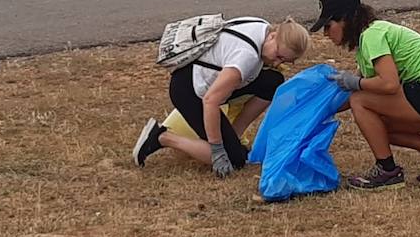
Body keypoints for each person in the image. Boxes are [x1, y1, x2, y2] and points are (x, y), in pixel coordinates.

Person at [311, 0, 420, 188]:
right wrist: (317, 110)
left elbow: (388, 84)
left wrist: (355, 83)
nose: (325, 34)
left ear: (346, 19)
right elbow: (360, 90)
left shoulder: (372, 35)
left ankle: (387, 171)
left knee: (360, 100)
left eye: (328, 26)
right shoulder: (368, 38)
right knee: (378, 124)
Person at [133, 17, 310, 175]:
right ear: (273, 37)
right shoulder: (246, 57)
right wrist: (218, 150)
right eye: (278, 56)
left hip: (203, 74)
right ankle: (161, 137)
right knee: (235, 160)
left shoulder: (262, 26)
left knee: (273, 81)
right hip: (189, 90)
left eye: (285, 61)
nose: (277, 63)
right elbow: (210, 101)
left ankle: (234, 135)